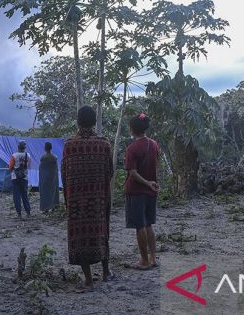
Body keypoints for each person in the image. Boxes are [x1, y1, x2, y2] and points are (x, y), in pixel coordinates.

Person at [61, 106, 114, 290]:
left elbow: (64, 174)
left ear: (78, 121)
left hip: (77, 202)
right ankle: (106, 272)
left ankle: (89, 280)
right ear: (94, 121)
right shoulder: (105, 144)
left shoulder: (69, 145)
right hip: (99, 199)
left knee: (81, 235)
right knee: (102, 231)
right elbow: (111, 172)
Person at [125, 113, 161, 270]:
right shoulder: (154, 144)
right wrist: (152, 183)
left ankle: (144, 260)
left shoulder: (132, 148)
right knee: (149, 225)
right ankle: (153, 258)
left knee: (140, 226)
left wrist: (146, 183)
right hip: (151, 191)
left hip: (137, 191)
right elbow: (156, 164)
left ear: (132, 130)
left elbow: (132, 172)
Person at [8, 140, 31, 218]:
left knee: (16, 195)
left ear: (18, 147)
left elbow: (10, 167)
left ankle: (19, 213)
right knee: (25, 195)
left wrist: (13, 168)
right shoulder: (28, 155)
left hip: (15, 178)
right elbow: (28, 166)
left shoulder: (14, 156)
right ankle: (28, 211)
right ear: (25, 147)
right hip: (25, 177)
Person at [39, 141, 60, 213]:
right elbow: (56, 170)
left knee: (45, 192)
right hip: (53, 179)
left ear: (45, 148)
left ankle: (46, 208)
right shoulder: (55, 158)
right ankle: (54, 206)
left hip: (45, 179)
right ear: (51, 148)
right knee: (54, 191)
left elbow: (41, 170)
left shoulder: (43, 158)